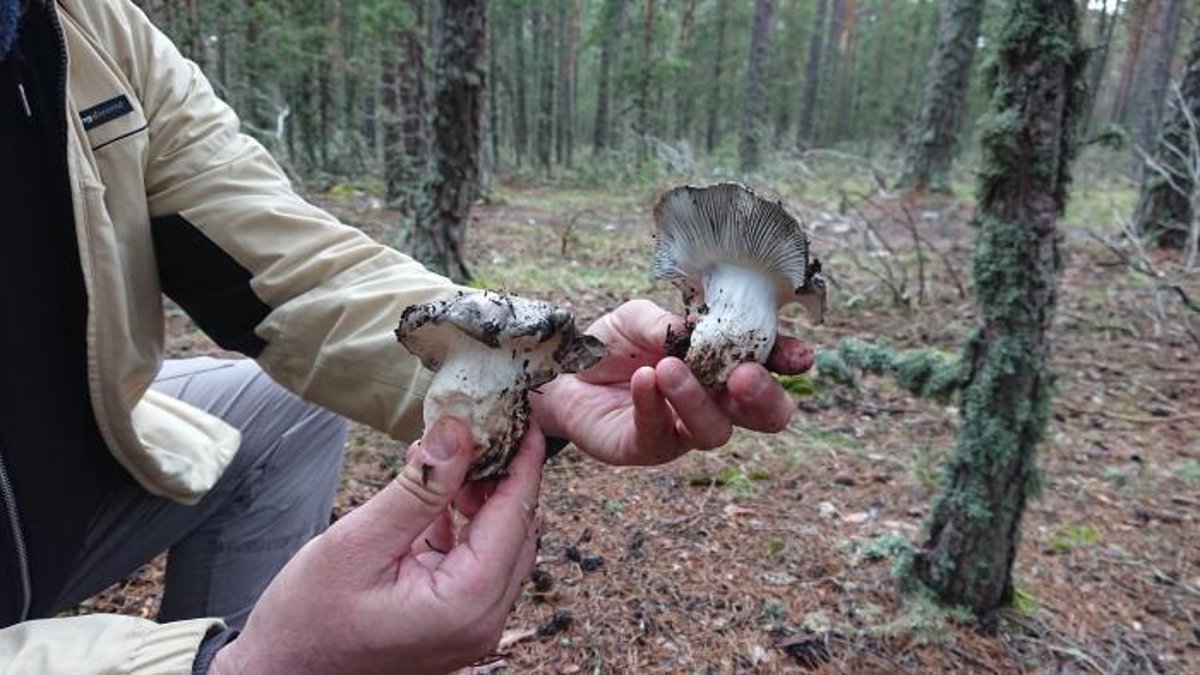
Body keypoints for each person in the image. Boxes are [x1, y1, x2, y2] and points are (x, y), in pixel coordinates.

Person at [0, 0, 814, 673]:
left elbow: (294, 265)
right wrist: (238, 666)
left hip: (57, 481)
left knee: (286, 416)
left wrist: (534, 377)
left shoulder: (85, 28)